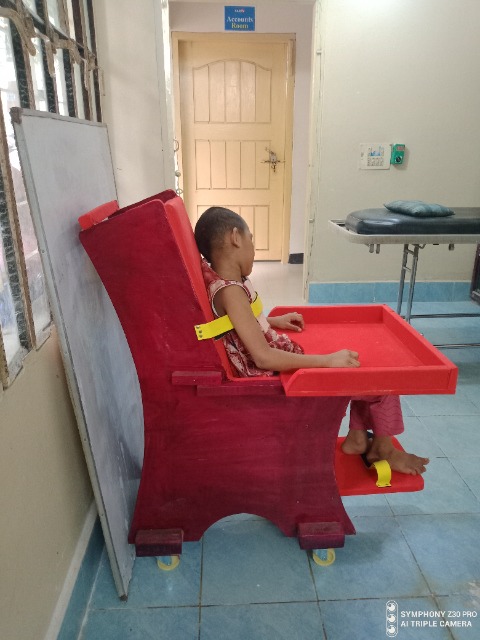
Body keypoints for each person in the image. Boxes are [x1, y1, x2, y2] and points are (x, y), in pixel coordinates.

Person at [194, 206, 429, 476]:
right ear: (235, 237)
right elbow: (263, 357)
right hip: (274, 381)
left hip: (274, 370)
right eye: (251, 239)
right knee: (379, 383)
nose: (254, 249)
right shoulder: (231, 291)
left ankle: (358, 439)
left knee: (359, 368)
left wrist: (272, 321)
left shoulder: (225, 283)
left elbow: (235, 325)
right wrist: (326, 361)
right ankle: (383, 449)